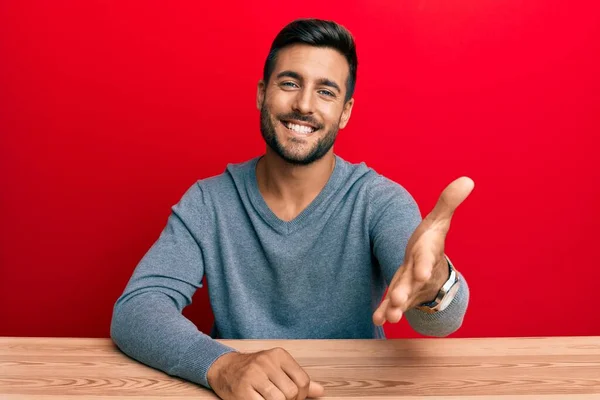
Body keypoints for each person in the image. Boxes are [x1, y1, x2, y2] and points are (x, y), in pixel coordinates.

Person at [111, 18, 474, 400]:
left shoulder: (379, 200)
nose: (303, 105)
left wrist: (434, 284)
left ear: (346, 112)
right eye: (290, 83)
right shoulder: (209, 201)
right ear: (261, 93)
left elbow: (440, 322)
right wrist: (222, 365)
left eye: (326, 92)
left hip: (351, 390)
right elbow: (136, 310)